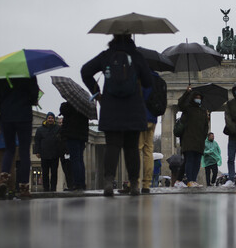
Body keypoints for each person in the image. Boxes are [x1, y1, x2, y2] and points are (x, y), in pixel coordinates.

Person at [81, 34, 152, 196]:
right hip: (133, 107)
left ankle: (108, 181)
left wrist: (97, 93)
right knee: (132, 148)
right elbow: (149, 82)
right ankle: (134, 184)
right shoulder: (137, 56)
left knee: (112, 146)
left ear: (113, 37)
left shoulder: (106, 56)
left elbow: (85, 71)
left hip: (110, 106)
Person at [0, 77, 40, 198]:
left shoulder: (2, 76)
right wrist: (33, 100)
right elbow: (35, 94)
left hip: (7, 116)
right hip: (24, 116)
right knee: (24, 152)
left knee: (9, 149)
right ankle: (24, 188)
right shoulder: (29, 74)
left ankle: (3, 178)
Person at [178, 87, 209, 187]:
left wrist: (204, 137)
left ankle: (194, 180)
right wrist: (186, 93)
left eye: (199, 97)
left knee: (197, 162)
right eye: (196, 97)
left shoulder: (203, 111)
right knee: (190, 160)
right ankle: (189, 180)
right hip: (189, 139)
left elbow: (205, 127)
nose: (198, 99)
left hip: (199, 141)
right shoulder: (188, 109)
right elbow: (181, 105)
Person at [136, 72, 161, 194]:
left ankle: (134, 181)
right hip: (153, 119)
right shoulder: (157, 78)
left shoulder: (141, 78)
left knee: (137, 149)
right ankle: (146, 184)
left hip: (141, 117)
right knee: (148, 151)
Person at [59, 102, 89, 191]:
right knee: (80, 159)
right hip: (82, 137)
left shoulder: (69, 106)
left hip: (72, 136)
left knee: (75, 160)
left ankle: (77, 184)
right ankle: (82, 183)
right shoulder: (84, 107)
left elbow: (63, 110)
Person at [34, 112, 61, 192]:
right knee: (45, 173)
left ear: (54, 119)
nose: (50, 119)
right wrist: (37, 152)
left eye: (52, 118)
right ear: (46, 119)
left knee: (54, 173)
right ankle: (45, 188)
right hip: (44, 154)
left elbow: (61, 140)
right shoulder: (40, 129)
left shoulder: (58, 128)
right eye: (49, 118)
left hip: (55, 154)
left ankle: (53, 188)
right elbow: (37, 141)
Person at [57, 116, 73, 190]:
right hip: (61, 154)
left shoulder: (67, 131)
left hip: (68, 153)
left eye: (62, 123)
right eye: (59, 123)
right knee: (66, 171)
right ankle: (69, 185)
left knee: (69, 170)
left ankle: (71, 185)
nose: (60, 124)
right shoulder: (58, 131)